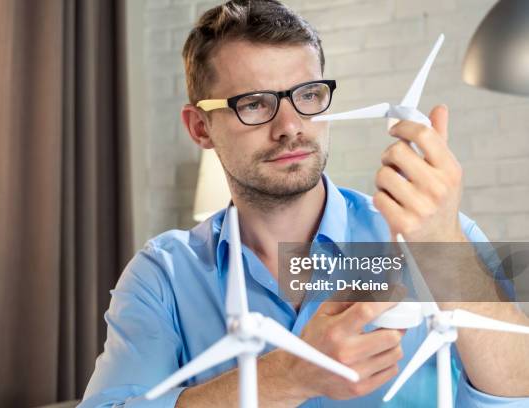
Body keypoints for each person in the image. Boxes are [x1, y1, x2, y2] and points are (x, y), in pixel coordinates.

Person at [79, 1, 529, 407]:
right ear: (200, 127)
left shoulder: (437, 235)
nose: (291, 126)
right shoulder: (165, 276)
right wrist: (289, 376)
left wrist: (443, 245)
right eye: (254, 104)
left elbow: (518, 393)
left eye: (309, 95)